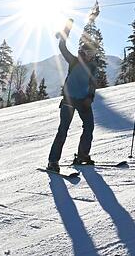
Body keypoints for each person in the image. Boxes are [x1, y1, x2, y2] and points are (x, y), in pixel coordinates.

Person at [47, 27, 100, 171]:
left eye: (93, 53)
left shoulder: (93, 67)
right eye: (89, 53)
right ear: (83, 52)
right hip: (69, 101)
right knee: (63, 130)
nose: (91, 55)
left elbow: (92, 84)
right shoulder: (74, 61)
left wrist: (90, 97)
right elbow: (62, 47)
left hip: (84, 101)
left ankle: (82, 156)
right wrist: (65, 32)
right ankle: (53, 161)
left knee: (89, 127)